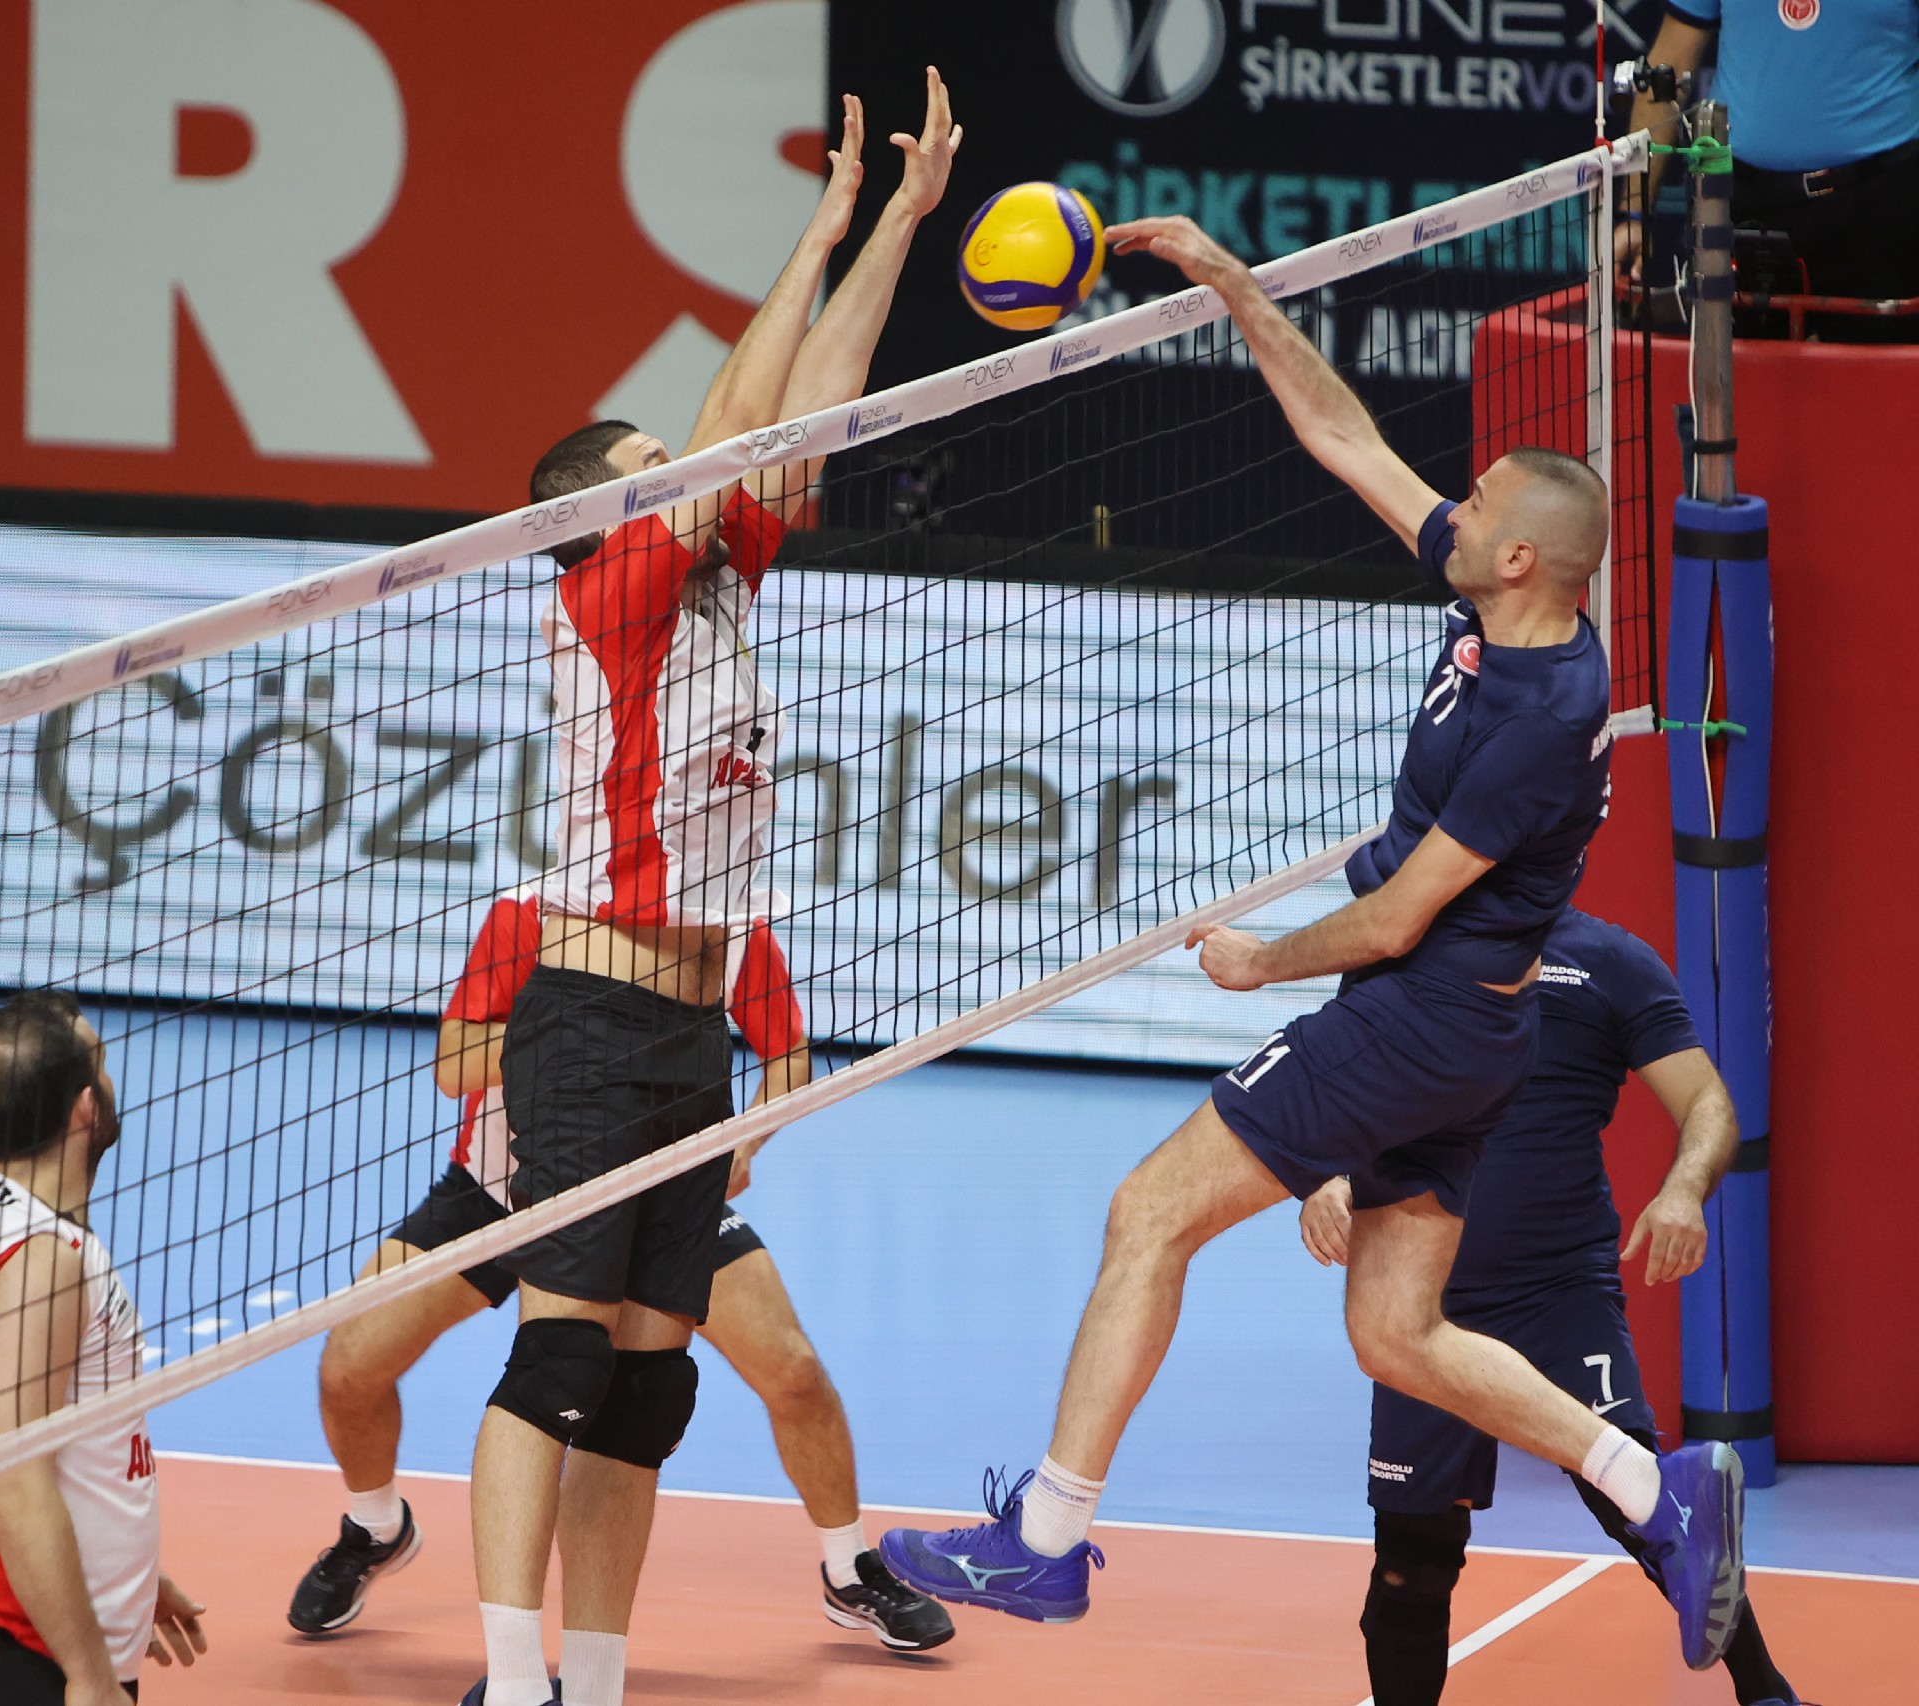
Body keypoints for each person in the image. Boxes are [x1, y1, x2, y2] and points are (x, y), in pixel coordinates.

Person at [879, 212, 1746, 1677]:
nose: (1451, 509)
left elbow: (1400, 916)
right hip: (1471, 1034)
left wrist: (1258, 963)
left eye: (1476, 503)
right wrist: (1234, 284)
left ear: (1521, 554)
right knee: (1399, 1336)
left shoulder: (1540, 721)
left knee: (1148, 1213)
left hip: (1419, 1013)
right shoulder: (1506, 606)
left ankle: (1047, 1537)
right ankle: (1661, 1495)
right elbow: (1346, 437)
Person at [465, 70, 961, 1706]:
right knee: (557, 1357)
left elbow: (803, 418)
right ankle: (514, 1677)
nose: (696, 474)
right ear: (608, 508)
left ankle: (596, 1681)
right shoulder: (610, 590)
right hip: (590, 1019)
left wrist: (891, 221)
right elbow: (744, 427)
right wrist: (811, 228)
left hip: (689, 1041)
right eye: (659, 464)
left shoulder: (721, 579)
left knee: (649, 1394)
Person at [285, 890, 950, 1653]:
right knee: (350, 1367)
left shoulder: (729, 927)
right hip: (500, 1192)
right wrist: (595, 1037)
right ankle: (375, 1527)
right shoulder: (530, 915)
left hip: (657, 1193)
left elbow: (788, 1057)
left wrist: (746, 1142)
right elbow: (454, 1063)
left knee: (792, 1371)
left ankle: (849, 1566)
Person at [1293, 910, 1809, 1706]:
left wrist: (1683, 1191)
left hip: (1558, 1293)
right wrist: (1327, 1177)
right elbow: (1341, 1094)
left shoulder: (1611, 960)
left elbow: (1707, 1101)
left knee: (1650, 1510)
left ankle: (1767, 1693)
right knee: (1410, 1562)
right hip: (1417, 1302)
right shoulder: (1395, 951)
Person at [0, 991, 207, 1706]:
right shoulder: (45, 1259)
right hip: (34, 1652)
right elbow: (16, 1478)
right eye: (103, 1064)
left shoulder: (31, 1228)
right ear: (87, 1108)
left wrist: (127, 1581)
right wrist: (89, 1673)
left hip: (55, 1626)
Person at [1620, 2, 1919, 340]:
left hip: (1878, 207)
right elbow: (1667, 69)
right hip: (1738, 206)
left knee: (1875, 372)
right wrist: (1633, 213)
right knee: (1734, 371)